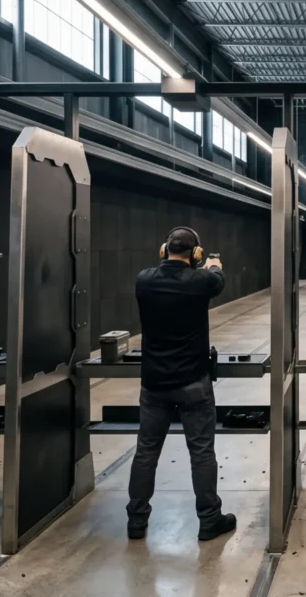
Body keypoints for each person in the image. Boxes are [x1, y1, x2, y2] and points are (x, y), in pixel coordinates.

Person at [127, 226, 234, 542]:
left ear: (163, 250)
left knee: (146, 451)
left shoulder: (144, 279)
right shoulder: (202, 281)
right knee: (201, 452)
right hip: (193, 382)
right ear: (196, 254)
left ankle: (136, 521)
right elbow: (216, 279)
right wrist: (213, 264)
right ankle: (209, 520)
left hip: (154, 382)